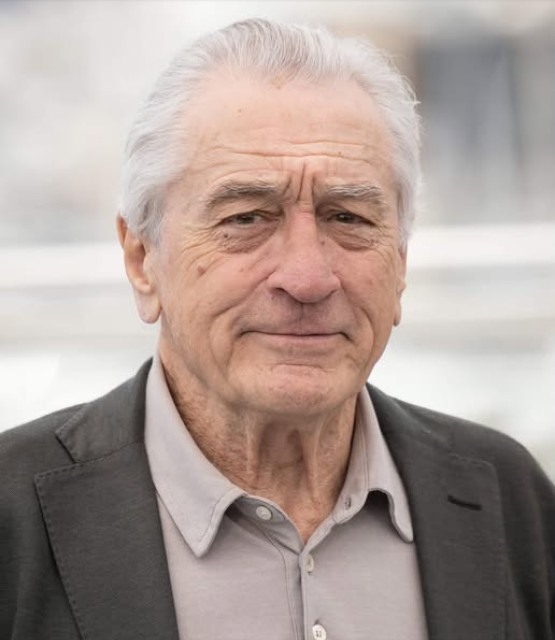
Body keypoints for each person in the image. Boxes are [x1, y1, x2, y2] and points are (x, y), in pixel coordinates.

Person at [1, 18, 554, 640]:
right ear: (141, 260)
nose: (307, 277)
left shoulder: (511, 502)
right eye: (247, 218)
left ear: (400, 263)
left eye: (348, 217)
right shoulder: (13, 520)